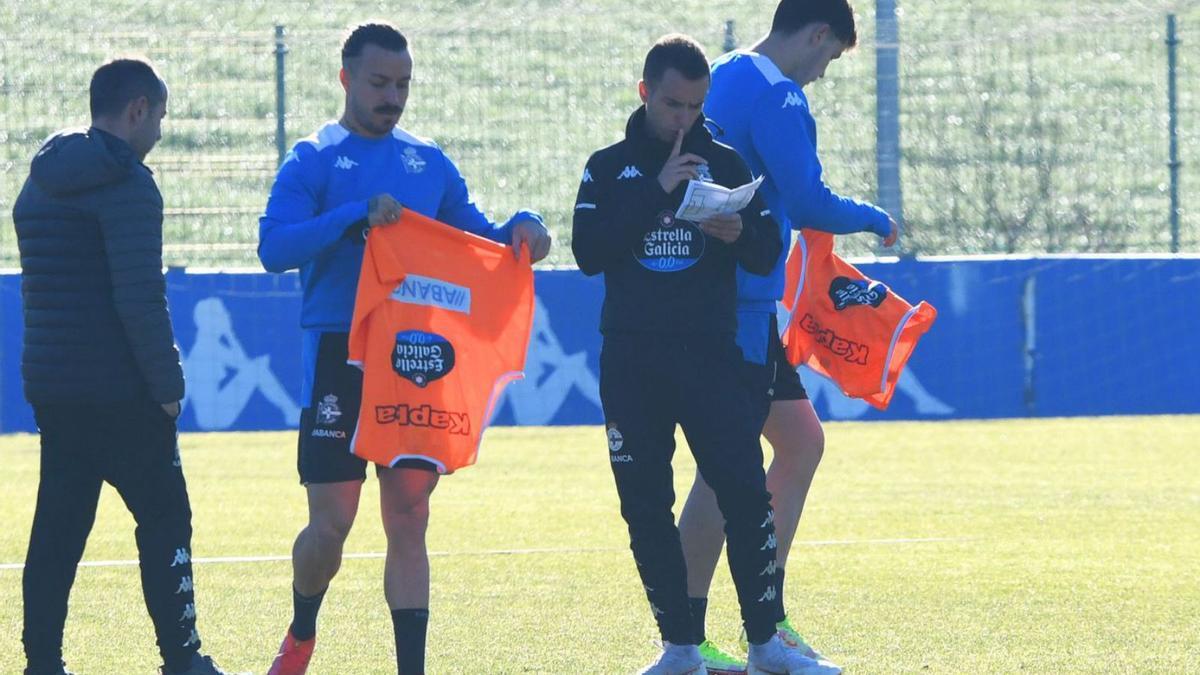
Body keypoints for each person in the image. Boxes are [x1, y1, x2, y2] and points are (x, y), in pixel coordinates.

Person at [258, 22, 550, 675]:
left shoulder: (428, 161)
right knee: (331, 525)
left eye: (403, 84)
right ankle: (302, 630)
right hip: (339, 353)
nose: (393, 97)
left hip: (415, 353)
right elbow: (275, 247)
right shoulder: (314, 157)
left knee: (410, 512)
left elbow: (478, 239)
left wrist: (521, 231)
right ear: (345, 79)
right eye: (380, 83)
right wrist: (354, 215)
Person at [573, 34, 837, 675]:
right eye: (672, 105)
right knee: (645, 503)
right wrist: (659, 189)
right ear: (644, 93)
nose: (683, 120)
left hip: (713, 357)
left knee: (744, 494)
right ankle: (680, 646)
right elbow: (588, 252)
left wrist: (737, 229)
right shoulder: (608, 167)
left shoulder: (722, 161)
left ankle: (767, 645)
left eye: (694, 107)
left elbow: (766, 246)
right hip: (633, 360)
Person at [676, 1, 899, 671]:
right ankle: (690, 638)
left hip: (701, 295)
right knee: (726, 465)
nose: (823, 74)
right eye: (829, 58)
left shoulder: (721, 71)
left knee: (799, 442)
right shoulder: (777, 94)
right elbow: (806, 200)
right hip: (732, 306)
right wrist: (876, 216)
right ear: (817, 34)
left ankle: (763, 621)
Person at [11, 58, 237, 675]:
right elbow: (139, 297)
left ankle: (43, 663)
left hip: (56, 387)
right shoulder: (129, 184)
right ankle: (182, 658)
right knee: (165, 517)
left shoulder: (40, 181)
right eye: (159, 116)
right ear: (137, 109)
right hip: (124, 392)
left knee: (58, 527)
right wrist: (168, 388)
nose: (160, 131)